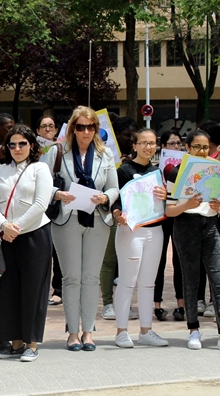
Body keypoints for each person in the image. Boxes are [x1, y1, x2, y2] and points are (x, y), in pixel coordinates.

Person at [166, 130, 220, 352]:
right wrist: (187, 205)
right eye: (197, 147)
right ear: (188, 148)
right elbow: (170, 210)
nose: (202, 151)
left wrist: (219, 207)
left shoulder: (218, 169)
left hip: (211, 226)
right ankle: (193, 329)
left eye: (205, 147)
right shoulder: (176, 172)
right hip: (186, 226)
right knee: (191, 279)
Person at [44, 107, 117, 352]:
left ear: (96, 129)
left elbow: (114, 188)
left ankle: (88, 332)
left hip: (97, 219)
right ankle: (72, 332)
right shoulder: (57, 151)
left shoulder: (105, 154)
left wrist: (105, 197)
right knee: (71, 277)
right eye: (80, 127)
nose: (85, 132)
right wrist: (58, 194)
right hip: (67, 218)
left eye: (90, 127)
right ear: (72, 128)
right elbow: (43, 185)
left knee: (91, 277)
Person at [0, 125, 53, 359]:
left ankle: (31, 344)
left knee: (33, 290)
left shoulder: (40, 168)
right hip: (7, 236)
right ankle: (14, 343)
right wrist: (4, 226)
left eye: (22, 143)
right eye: (12, 144)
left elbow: (40, 204)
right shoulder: (1, 169)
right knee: (9, 291)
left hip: (35, 235)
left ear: (32, 145)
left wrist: (17, 227)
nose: (17, 148)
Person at [110, 128, 170, 348]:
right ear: (134, 145)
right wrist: (118, 215)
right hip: (131, 231)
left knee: (148, 283)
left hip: (155, 230)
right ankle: (121, 331)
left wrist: (166, 196)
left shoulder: (158, 172)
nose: (148, 147)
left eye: (152, 143)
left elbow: (168, 202)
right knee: (127, 282)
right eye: (143, 143)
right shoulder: (123, 171)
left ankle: (146, 330)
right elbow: (115, 201)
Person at [99, 116, 138, 321]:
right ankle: (107, 303)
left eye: (134, 136)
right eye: (126, 135)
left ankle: (125, 303)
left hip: (134, 217)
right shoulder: (106, 156)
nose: (130, 140)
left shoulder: (137, 158)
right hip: (111, 214)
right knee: (109, 260)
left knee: (128, 262)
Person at [155, 130, 186, 321]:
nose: (176, 147)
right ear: (163, 146)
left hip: (179, 214)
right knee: (158, 260)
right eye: (172, 143)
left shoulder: (186, 165)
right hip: (160, 215)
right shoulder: (156, 168)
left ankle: (181, 305)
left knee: (179, 260)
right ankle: (156, 305)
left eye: (178, 143)